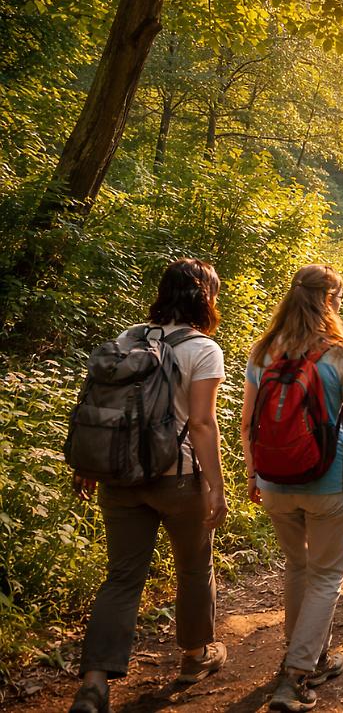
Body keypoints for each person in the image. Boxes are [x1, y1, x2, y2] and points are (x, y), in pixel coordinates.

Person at [70, 259, 229, 713]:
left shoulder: (126, 338)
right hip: (177, 478)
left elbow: (99, 409)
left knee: (121, 577)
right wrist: (215, 486)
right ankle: (196, 656)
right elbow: (201, 423)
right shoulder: (203, 349)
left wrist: (88, 463)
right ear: (205, 296)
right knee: (195, 569)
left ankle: (95, 682)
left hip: (119, 478)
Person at [240, 265, 343, 712]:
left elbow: (247, 422)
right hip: (330, 480)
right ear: (332, 299)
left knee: (297, 566)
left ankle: (306, 653)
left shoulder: (264, 350)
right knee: (325, 577)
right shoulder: (342, 354)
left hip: (274, 480)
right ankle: (296, 675)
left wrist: (252, 472)